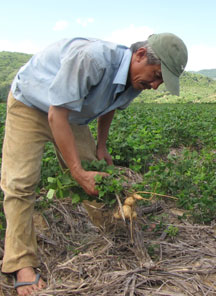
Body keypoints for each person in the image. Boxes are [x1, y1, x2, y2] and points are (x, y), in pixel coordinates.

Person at [0, 33, 188, 296]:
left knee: (98, 176)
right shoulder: (93, 59)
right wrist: (76, 172)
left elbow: (109, 105)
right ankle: (21, 264)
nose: (155, 85)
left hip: (71, 115)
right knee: (20, 184)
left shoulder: (136, 81)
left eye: (161, 81)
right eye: (156, 75)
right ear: (141, 54)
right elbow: (56, 114)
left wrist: (101, 146)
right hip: (31, 105)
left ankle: (113, 229)